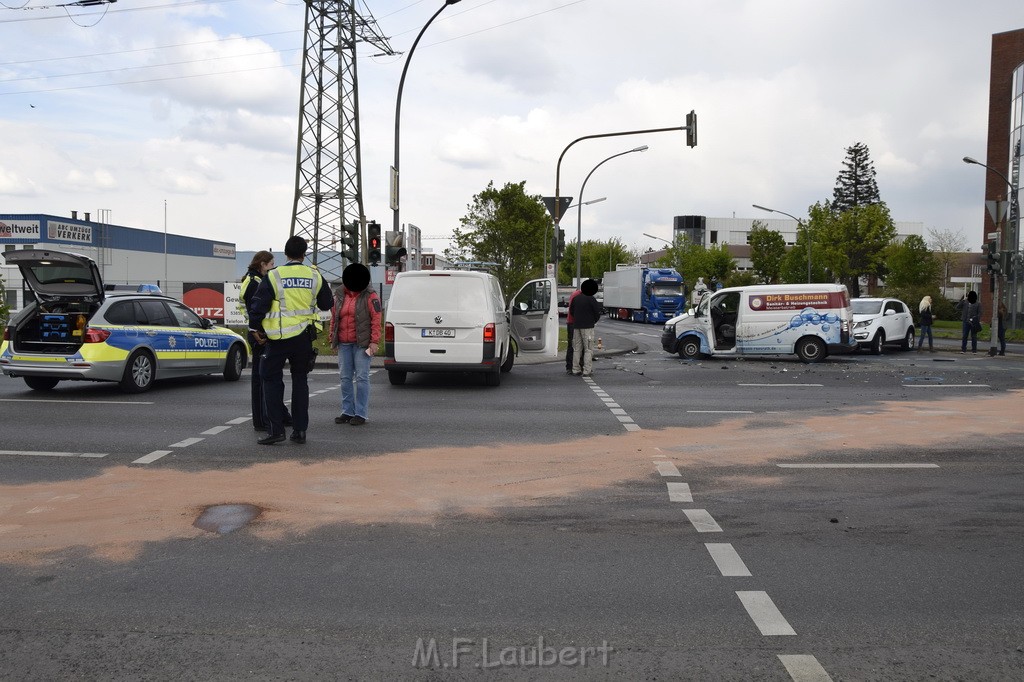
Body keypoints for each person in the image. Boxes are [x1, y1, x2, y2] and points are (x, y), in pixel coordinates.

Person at [248, 236, 333, 445]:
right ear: (304, 254)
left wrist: (254, 329)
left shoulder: (275, 275)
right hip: (303, 337)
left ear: (285, 254)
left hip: (277, 338)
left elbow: (258, 306)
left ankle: (276, 430)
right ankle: (300, 431)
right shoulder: (315, 276)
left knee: (270, 380)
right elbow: (326, 303)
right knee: (300, 381)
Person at [240, 250, 291, 431]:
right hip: (260, 334)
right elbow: (256, 309)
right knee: (263, 380)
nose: (272, 268)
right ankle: (264, 420)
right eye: (270, 265)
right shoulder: (256, 282)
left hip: (258, 332)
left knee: (263, 378)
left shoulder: (251, 279)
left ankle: (271, 416)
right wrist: (258, 332)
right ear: (262, 264)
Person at [329, 263, 381, 426]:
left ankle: (360, 413)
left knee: (361, 377)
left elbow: (376, 320)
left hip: (362, 344)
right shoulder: (339, 296)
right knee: (345, 378)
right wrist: (333, 337)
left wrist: (374, 341)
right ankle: (347, 411)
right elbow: (334, 318)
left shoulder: (371, 296)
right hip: (344, 343)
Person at [569, 279, 602, 377]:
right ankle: (587, 370)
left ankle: (575, 369)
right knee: (588, 349)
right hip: (588, 327)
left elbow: (571, 311)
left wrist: (577, 319)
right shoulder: (591, 299)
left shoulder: (576, 299)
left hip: (577, 326)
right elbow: (597, 313)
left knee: (576, 348)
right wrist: (593, 321)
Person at [955, 290, 981, 354]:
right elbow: (957, 307)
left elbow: (979, 313)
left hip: (973, 322)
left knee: (974, 336)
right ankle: (963, 349)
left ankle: (974, 350)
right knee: (964, 335)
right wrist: (962, 300)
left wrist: (976, 319)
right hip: (965, 321)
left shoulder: (978, 303)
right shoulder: (965, 302)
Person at [564, 286, 581, 376]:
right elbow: (572, 310)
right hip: (573, 323)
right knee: (572, 345)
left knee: (575, 345)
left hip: (574, 323)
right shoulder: (576, 295)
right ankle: (570, 367)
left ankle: (573, 367)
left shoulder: (577, 294)